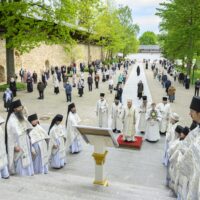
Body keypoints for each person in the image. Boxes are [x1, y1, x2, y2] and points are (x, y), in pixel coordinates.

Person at [5, 99, 34, 176]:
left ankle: (29, 172)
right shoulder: (11, 121)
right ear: (14, 109)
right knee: (21, 160)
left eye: (21, 107)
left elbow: (27, 125)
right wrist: (15, 146)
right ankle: (22, 174)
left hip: (25, 141)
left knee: (27, 157)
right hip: (19, 144)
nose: (21, 109)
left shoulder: (20, 116)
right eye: (19, 107)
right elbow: (10, 136)